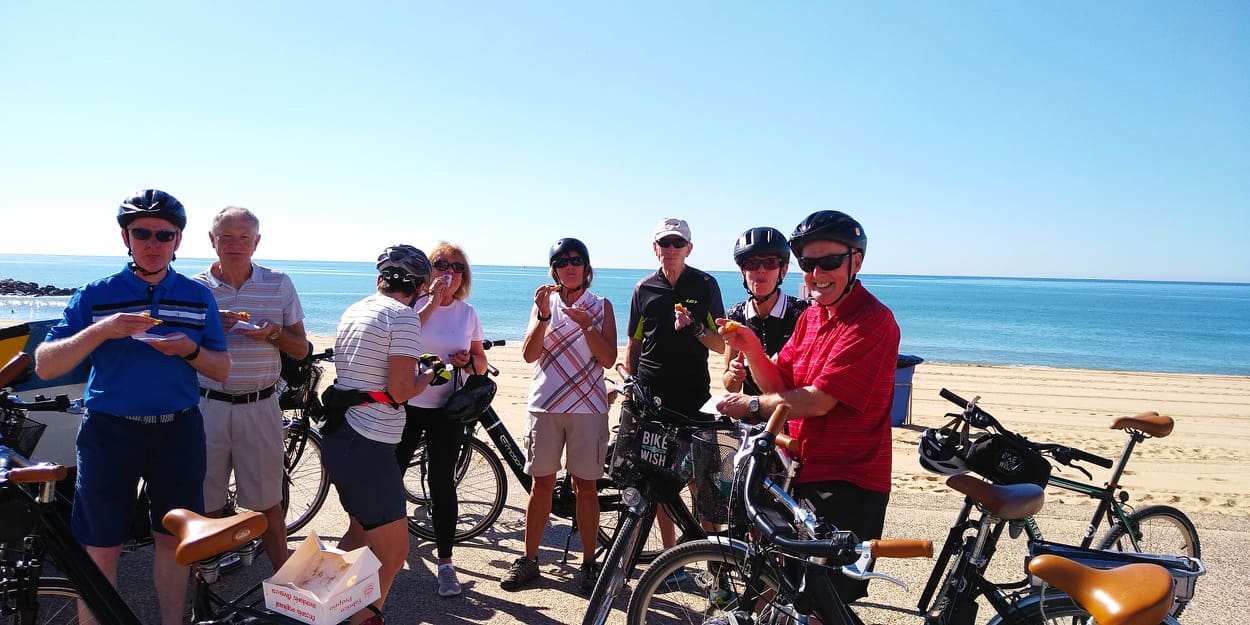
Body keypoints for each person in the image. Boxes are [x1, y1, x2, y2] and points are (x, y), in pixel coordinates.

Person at [34, 189, 230, 625]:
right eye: (142, 233)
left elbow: (221, 369)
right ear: (126, 237)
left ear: (178, 240)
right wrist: (102, 330)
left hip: (178, 431)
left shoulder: (198, 297)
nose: (153, 243)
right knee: (101, 547)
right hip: (110, 433)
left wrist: (188, 350)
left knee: (173, 542)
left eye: (165, 234)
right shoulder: (95, 295)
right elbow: (46, 365)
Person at [716, 210, 899, 602]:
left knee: (825, 600)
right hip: (803, 470)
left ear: (855, 262)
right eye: (808, 263)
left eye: (829, 262)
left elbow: (818, 401)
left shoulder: (872, 321)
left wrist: (751, 405)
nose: (817, 274)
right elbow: (781, 383)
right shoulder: (812, 317)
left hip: (849, 481)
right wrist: (753, 350)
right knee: (797, 592)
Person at [323, 244, 439, 624]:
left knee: (359, 536)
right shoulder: (403, 318)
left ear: (381, 280)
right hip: (368, 446)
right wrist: (429, 375)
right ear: (420, 288)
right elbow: (401, 390)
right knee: (393, 553)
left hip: (341, 437)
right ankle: (363, 619)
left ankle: (318, 608)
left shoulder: (356, 309)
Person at [192, 206, 309, 572]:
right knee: (206, 503)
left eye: (244, 238)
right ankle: (203, 580)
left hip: (260, 405)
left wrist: (274, 333)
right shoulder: (193, 289)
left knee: (267, 503)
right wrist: (209, 329)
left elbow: (301, 349)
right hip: (207, 405)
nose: (235, 245)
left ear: (256, 242)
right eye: (226, 237)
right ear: (212, 240)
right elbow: (178, 350)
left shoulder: (279, 283)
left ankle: (286, 582)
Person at [500, 238, 617, 594]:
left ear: (586, 267)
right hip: (546, 405)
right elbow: (529, 354)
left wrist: (587, 325)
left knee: (586, 488)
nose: (570, 267)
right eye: (562, 262)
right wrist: (543, 316)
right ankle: (529, 559)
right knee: (541, 486)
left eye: (576, 260)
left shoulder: (601, 305)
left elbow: (608, 359)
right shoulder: (544, 303)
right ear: (554, 270)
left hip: (588, 408)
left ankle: (589, 564)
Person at [394, 241, 488, 598]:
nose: (449, 272)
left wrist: (469, 361)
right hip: (405, 404)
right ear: (427, 269)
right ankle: (383, 547)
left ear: (464, 276)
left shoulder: (468, 314)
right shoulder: (411, 304)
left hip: (447, 409)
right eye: (441, 264)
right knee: (390, 476)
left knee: (442, 483)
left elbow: (481, 363)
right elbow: (404, 336)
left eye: (457, 267)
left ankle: (446, 564)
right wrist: (432, 299)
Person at [625, 217, 725, 549]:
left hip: (694, 397)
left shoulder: (705, 284)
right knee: (659, 481)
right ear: (655, 248)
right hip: (653, 398)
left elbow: (722, 344)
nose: (670, 248)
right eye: (664, 243)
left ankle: (713, 558)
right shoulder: (644, 288)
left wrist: (695, 328)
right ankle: (670, 559)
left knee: (702, 480)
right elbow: (634, 344)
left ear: (688, 249)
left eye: (677, 243)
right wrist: (631, 387)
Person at [722, 227, 810, 398]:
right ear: (742, 272)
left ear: (783, 270)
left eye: (770, 263)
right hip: (750, 411)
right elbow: (730, 386)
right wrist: (734, 375)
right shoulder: (735, 315)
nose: (761, 270)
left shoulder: (802, 313)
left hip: (790, 410)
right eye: (752, 263)